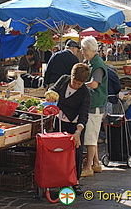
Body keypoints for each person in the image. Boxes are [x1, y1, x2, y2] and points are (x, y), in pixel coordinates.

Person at [49, 63, 91, 195]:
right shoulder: (63, 80)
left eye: (80, 84)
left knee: (76, 154)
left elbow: (84, 114)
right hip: (60, 121)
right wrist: (50, 94)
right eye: (75, 82)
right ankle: (59, 178)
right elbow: (54, 90)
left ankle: (75, 181)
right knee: (59, 151)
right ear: (71, 76)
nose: (76, 86)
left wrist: (78, 132)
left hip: (75, 125)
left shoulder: (85, 93)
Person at [80, 36, 108, 177]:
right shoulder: (92, 62)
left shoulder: (97, 64)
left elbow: (94, 84)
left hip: (95, 105)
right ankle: (96, 164)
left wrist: (79, 85)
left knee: (90, 138)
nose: (82, 51)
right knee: (93, 136)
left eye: (84, 49)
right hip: (94, 104)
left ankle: (88, 167)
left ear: (91, 49)